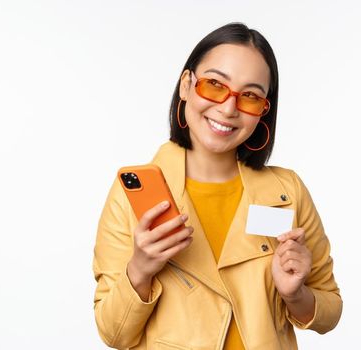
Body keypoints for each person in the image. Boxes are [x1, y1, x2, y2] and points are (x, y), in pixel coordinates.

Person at [93, 22, 342, 349]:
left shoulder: (287, 192)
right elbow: (113, 333)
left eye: (250, 97)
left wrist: (295, 294)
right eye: (214, 85)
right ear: (186, 85)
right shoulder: (131, 196)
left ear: (263, 111)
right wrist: (139, 271)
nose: (228, 108)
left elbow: (330, 309)